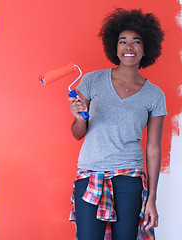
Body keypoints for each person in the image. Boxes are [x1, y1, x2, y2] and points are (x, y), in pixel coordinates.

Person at [68, 9, 165, 240]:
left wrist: (151, 198)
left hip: (129, 179)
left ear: (146, 48)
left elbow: (153, 148)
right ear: (115, 46)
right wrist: (80, 116)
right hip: (90, 176)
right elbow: (77, 133)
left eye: (136, 42)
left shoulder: (155, 95)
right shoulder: (92, 80)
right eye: (123, 41)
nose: (128, 48)